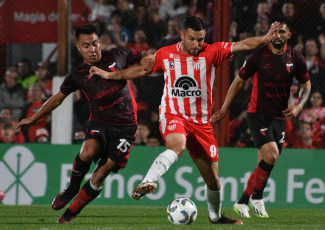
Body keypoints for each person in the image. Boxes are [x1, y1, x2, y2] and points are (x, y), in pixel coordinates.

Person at [90, 16, 280, 225]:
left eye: (201, 39)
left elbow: (243, 44)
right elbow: (142, 70)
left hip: (201, 123)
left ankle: (215, 217)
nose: (197, 44)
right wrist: (110, 76)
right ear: (181, 35)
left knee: (213, 180)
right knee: (177, 146)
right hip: (173, 114)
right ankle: (149, 181)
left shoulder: (213, 51)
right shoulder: (165, 53)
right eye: (192, 39)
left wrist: (265, 38)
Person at [16, 24, 154, 223]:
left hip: (126, 128)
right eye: (86, 45)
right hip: (100, 122)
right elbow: (57, 98)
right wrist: (34, 118)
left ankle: (70, 213)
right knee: (87, 152)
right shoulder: (78, 75)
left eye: (95, 43)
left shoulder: (118, 55)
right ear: (78, 48)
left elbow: (144, 55)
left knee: (101, 174)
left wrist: (148, 59)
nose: (93, 49)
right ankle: (71, 189)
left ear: (101, 42)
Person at [211, 16, 311, 218]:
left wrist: (299, 105)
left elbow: (306, 85)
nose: (277, 35)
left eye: (281, 32)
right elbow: (238, 82)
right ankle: (257, 196)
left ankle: (242, 202)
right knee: (272, 155)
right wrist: (223, 109)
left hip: (280, 117)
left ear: (289, 35)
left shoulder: (295, 58)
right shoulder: (258, 56)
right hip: (257, 114)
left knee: (265, 163)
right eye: (274, 32)